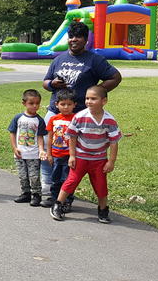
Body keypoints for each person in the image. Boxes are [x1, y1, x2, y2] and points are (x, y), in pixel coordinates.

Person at [41, 21, 121, 201]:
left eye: (78, 37)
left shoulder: (94, 60)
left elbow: (115, 77)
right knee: (50, 149)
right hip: (55, 112)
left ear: (86, 40)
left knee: (72, 155)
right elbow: (45, 82)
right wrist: (52, 84)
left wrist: (96, 92)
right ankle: (48, 190)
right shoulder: (59, 59)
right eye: (71, 37)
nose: (73, 40)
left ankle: (66, 194)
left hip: (78, 116)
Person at [50, 85, 120, 224]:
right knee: (71, 181)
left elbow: (114, 142)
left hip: (99, 159)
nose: (89, 101)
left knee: (101, 185)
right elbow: (72, 136)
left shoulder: (109, 120)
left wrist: (111, 162)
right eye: (87, 98)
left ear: (103, 101)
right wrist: (72, 155)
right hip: (81, 157)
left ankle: (103, 209)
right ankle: (58, 204)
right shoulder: (80, 116)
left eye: (93, 99)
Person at [8, 89, 48, 206]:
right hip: (20, 153)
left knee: (34, 176)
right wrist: (14, 148)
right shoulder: (18, 118)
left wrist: (41, 150)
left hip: (33, 154)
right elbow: (12, 133)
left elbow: (40, 136)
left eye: (37, 103)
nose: (35, 106)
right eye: (31, 103)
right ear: (24, 103)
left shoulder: (39, 120)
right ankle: (26, 193)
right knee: (22, 175)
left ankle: (36, 195)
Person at [43, 89, 78, 210]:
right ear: (56, 104)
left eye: (69, 104)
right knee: (55, 178)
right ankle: (54, 198)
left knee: (67, 179)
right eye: (63, 104)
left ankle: (67, 201)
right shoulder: (54, 119)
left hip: (70, 155)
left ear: (75, 105)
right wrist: (49, 154)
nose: (66, 107)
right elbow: (50, 137)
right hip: (56, 154)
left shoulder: (76, 119)